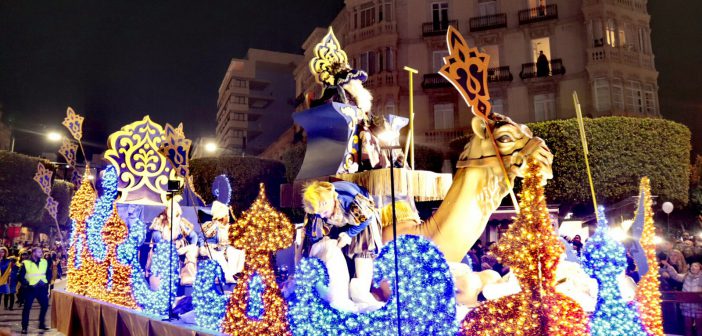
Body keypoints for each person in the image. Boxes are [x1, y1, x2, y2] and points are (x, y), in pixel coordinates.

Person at [303, 181, 383, 308]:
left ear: (331, 203)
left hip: (363, 224)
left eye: (324, 212)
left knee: (362, 254)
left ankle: (362, 295)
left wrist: (349, 234)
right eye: (319, 214)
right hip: (343, 224)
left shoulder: (348, 201)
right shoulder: (317, 210)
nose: (322, 216)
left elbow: (367, 219)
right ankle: (347, 295)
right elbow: (314, 235)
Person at [18, 247, 52, 334]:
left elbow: (49, 273)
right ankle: (24, 327)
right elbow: (21, 276)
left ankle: (41, 324)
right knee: (27, 308)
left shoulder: (44, 262)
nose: (41, 253)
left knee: (45, 305)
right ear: (33, 253)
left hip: (41, 288)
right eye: (39, 252)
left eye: (41, 252)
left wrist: (46, 282)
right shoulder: (25, 263)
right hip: (30, 289)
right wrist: (27, 284)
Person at [664, 261, 702, 336]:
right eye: (692, 266)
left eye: (696, 266)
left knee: (699, 327)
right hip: (687, 306)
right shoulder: (686, 276)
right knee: (687, 326)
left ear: (700, 269)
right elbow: (676, 276)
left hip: (698, 306)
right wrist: (668, 266)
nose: (693, 267)